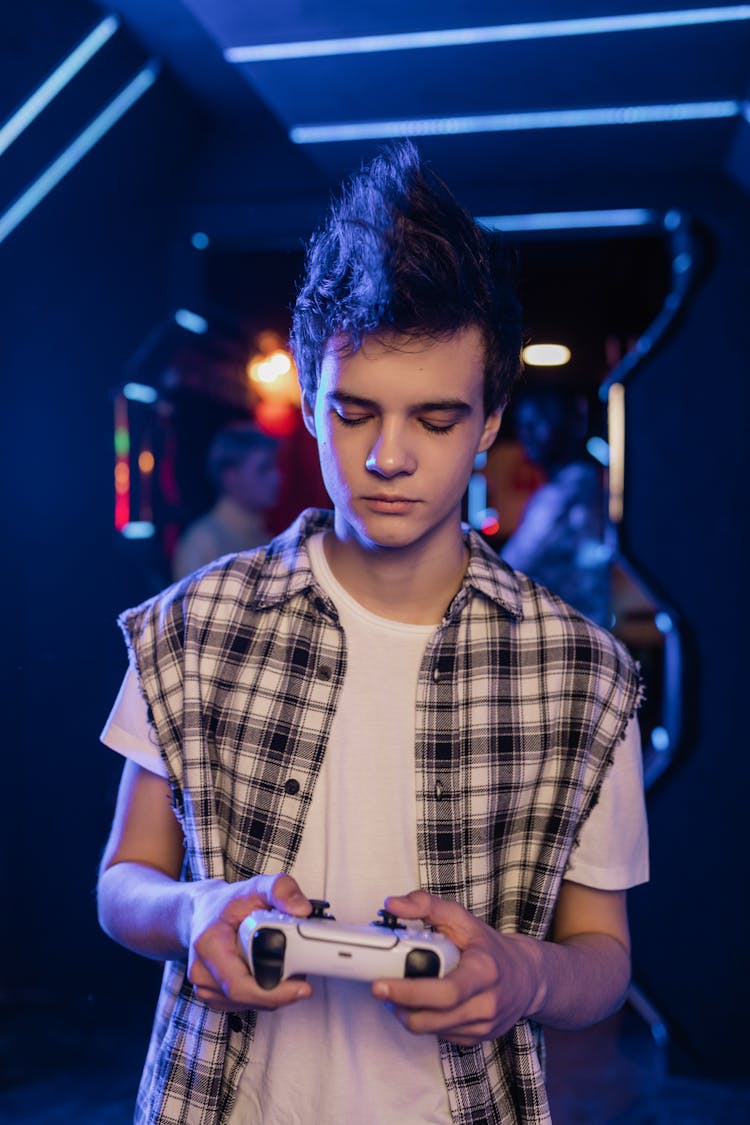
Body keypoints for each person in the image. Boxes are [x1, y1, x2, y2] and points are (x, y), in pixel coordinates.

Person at [97, 141, 647, 1125]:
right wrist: (193, 914)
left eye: (436, 420)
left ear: (489, 422)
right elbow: (121, 883)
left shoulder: (581, 670)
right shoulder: (193, 627)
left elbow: (603, 959)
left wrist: (519, 973)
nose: (389, 457)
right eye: (355, 414)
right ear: (309, 395)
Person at [500, 384, 611, 626]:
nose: (525, 434)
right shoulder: (583, 483)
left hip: (573, 639)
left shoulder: (566, 492)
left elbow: (512, 565)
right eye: (521, 425)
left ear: (570, 425)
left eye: (537, 422)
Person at [171, 422, 281, 580]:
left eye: (274, 467)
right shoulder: (203, 542)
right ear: (231, 476)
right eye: (263, 469)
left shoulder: (264, 538)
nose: (276, 478)